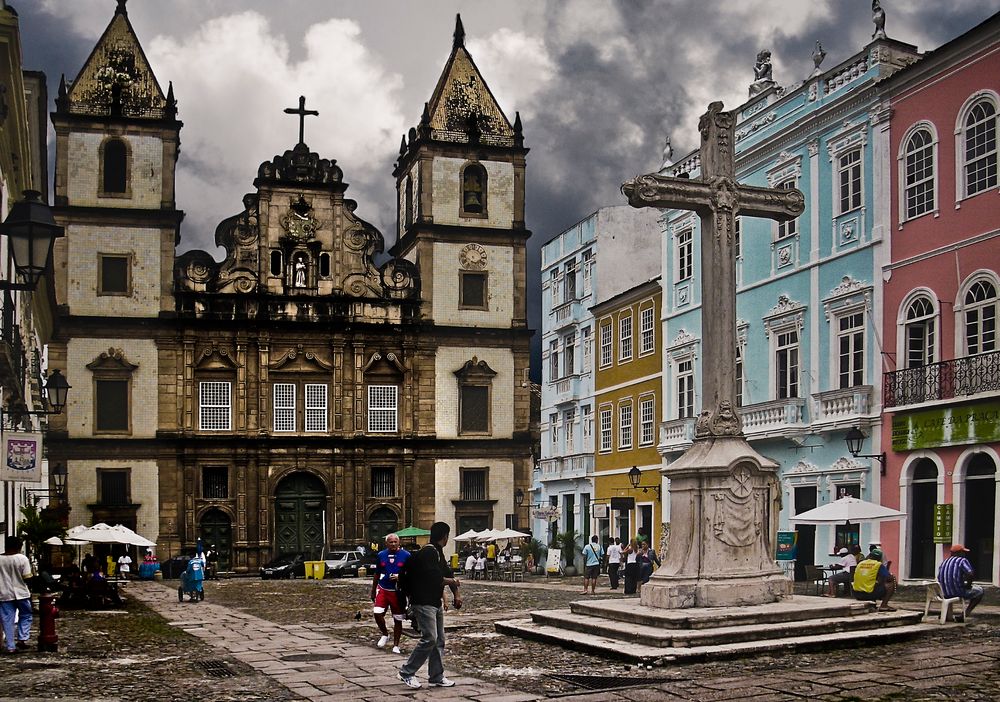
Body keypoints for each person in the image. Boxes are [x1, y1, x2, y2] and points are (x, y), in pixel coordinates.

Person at [397, 521, 460, 690]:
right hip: (423, 602)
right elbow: (435, 579)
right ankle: (407, 672)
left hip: (434, 602)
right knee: (429, 638)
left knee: (439, 640)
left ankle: (436, 676)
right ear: (445, 536)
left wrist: (456, 594)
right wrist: (452, 582)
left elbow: (447, 573)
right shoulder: (429, 553)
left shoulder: (438, 553)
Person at [371, 533, 410, 655]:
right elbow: (377, 573)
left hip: (397, 591)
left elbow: (411, 574)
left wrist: (400, 577)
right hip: (383, 588)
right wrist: (373, 590)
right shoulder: (381, 555)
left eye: (395, 542)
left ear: (399, 543)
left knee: (397, 618)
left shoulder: (406, 556)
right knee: (377, 612)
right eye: (391, 542)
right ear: (386, 543)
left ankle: (396, 645)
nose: (393, 544)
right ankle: (385, 633)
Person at [0, 537, 33, 653]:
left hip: (4, 594)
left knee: (7, 620)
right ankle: (22, 638)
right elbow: (27, 577)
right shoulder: (22, 559)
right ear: (18, 547)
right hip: (21, 593)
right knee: (26, 615)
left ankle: (10, 646)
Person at [938, 544, 984, 622]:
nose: (964, 554)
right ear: (958, 553)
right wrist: (968, 585)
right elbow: (970, 574)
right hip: (957, 592)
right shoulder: (962, 561)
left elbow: (939, 577)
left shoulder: (944, 562)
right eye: (962, 552)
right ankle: (965, 614)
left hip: (944, 593)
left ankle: (947, 615)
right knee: (979, 591)